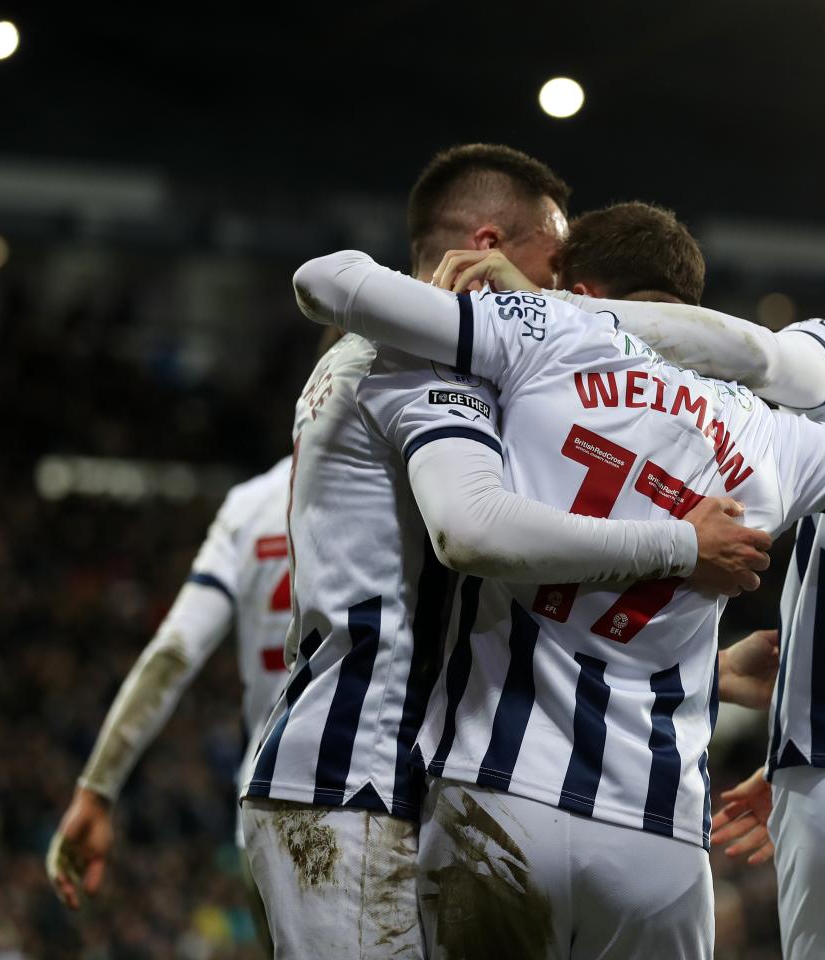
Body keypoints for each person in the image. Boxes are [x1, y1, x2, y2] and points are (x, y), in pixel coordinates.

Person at [291, 197, 825, 957]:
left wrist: (516, 304)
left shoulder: (541, 335)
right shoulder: (775, 436)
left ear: (581, 287)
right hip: (657, 841)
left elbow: (327, 280)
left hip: (495, 797)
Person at [240, 149, 770, 960]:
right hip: (359, 778)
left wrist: (707, 670)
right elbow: (474, 534)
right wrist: (677, 546)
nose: (560, 294)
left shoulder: (370, 354)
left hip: (349, 770)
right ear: (487, 245)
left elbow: (462, 585)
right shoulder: (414, 357)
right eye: (554, 268)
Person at [44, 451, 295, 932]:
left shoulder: (250, 506)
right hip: (381, 798)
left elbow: (173, 653)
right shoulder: (407, 485)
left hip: (267, 811)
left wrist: (96, 791)